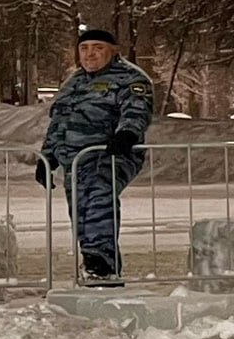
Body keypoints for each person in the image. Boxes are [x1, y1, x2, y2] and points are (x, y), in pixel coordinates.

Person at [37, 26, 153, 286]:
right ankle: (93, 264)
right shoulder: (73, 82)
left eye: (97, 48)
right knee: (81, 210)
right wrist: (48, 158)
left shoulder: (130, 78)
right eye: (84, 48)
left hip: (110, 155)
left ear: (113, 52)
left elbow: (136, 111)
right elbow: (59, 122)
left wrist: (127, 135)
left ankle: (103, 265)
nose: (89, 54)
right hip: (75, 160)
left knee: (100, 198)